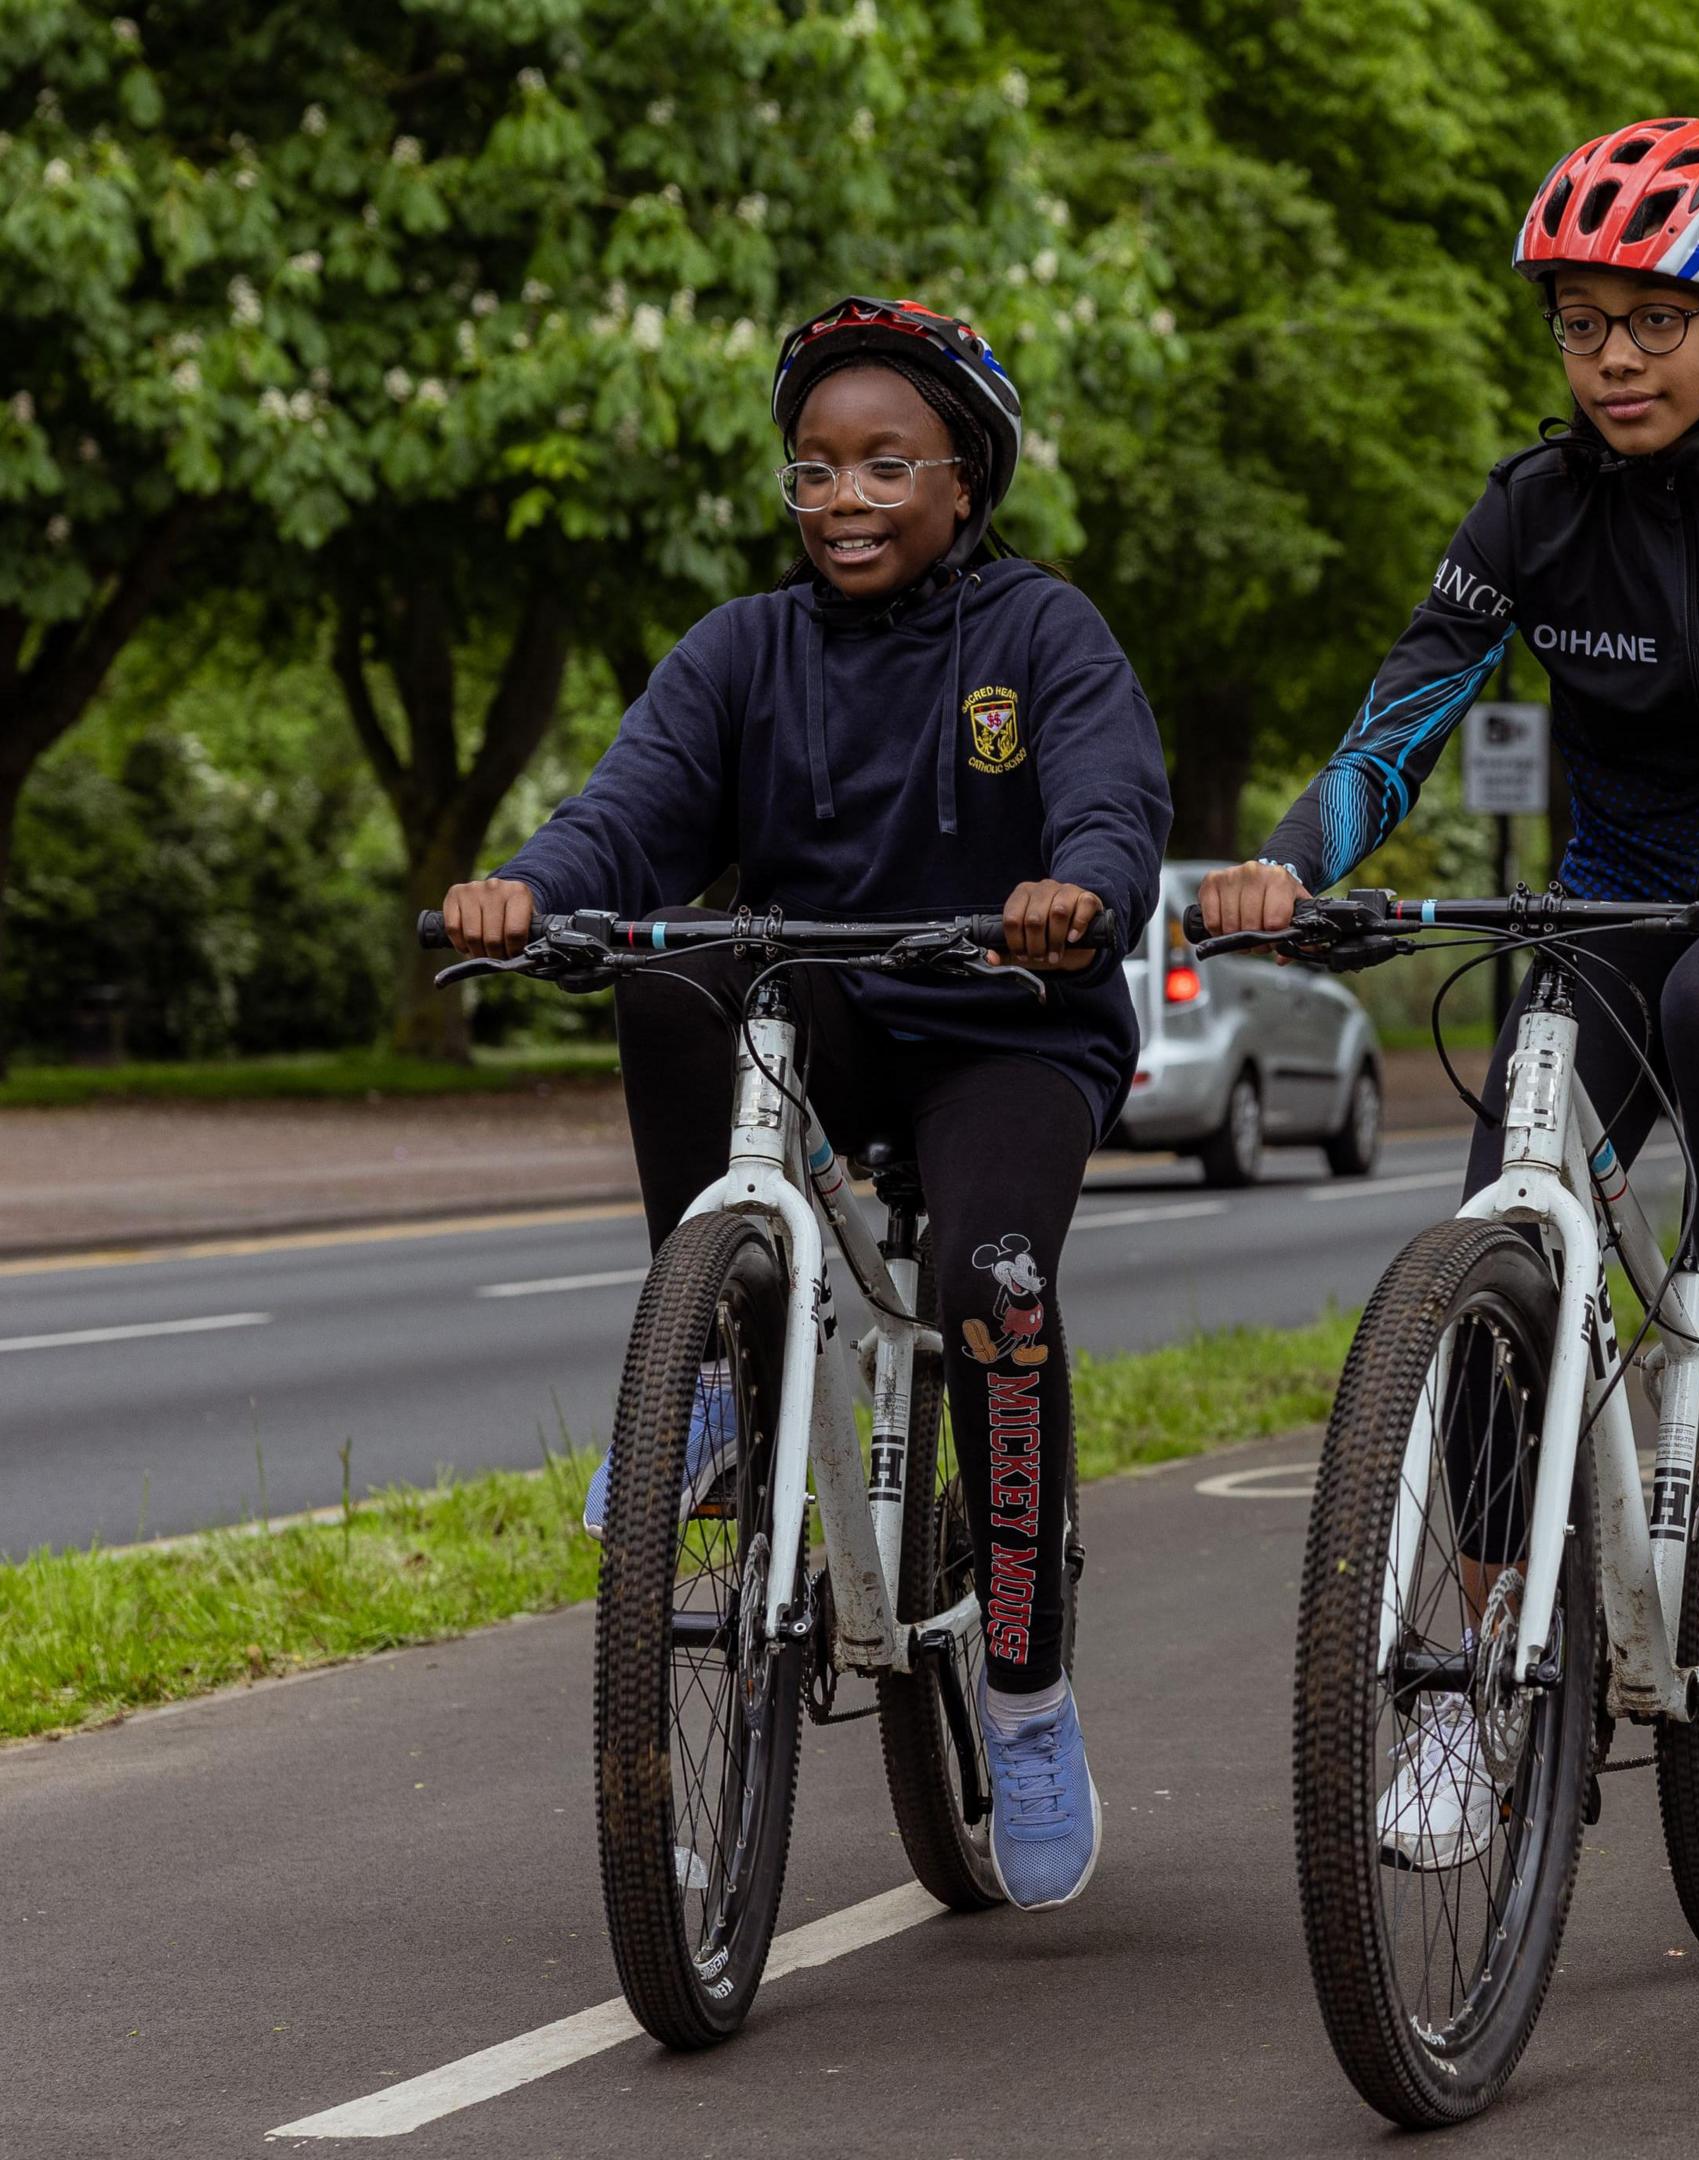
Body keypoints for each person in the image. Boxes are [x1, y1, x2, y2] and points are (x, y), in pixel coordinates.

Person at [1196, 120, 1699, 1861]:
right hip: (1610, 901)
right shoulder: (1536, 507)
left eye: (1653, 320)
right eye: (1579, 323)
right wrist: (1295, 857)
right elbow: (1407, 712)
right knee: (1498, 1244)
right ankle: (1463, 1684)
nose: (1612, 358)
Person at [441, 296, 1172, 1911]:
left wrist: (1082, 887)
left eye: (883, 464)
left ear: (963, 477)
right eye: (814, 468)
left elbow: (1117, 802)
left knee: (992, 1285)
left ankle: (1028, 1692)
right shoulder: (740, 651)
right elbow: (627, 813)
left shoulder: (1045, 636)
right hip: (823, 1007)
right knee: (670, 971)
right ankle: (714, 1363)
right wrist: (526, 888)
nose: (842, 497)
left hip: (1009, 1022)